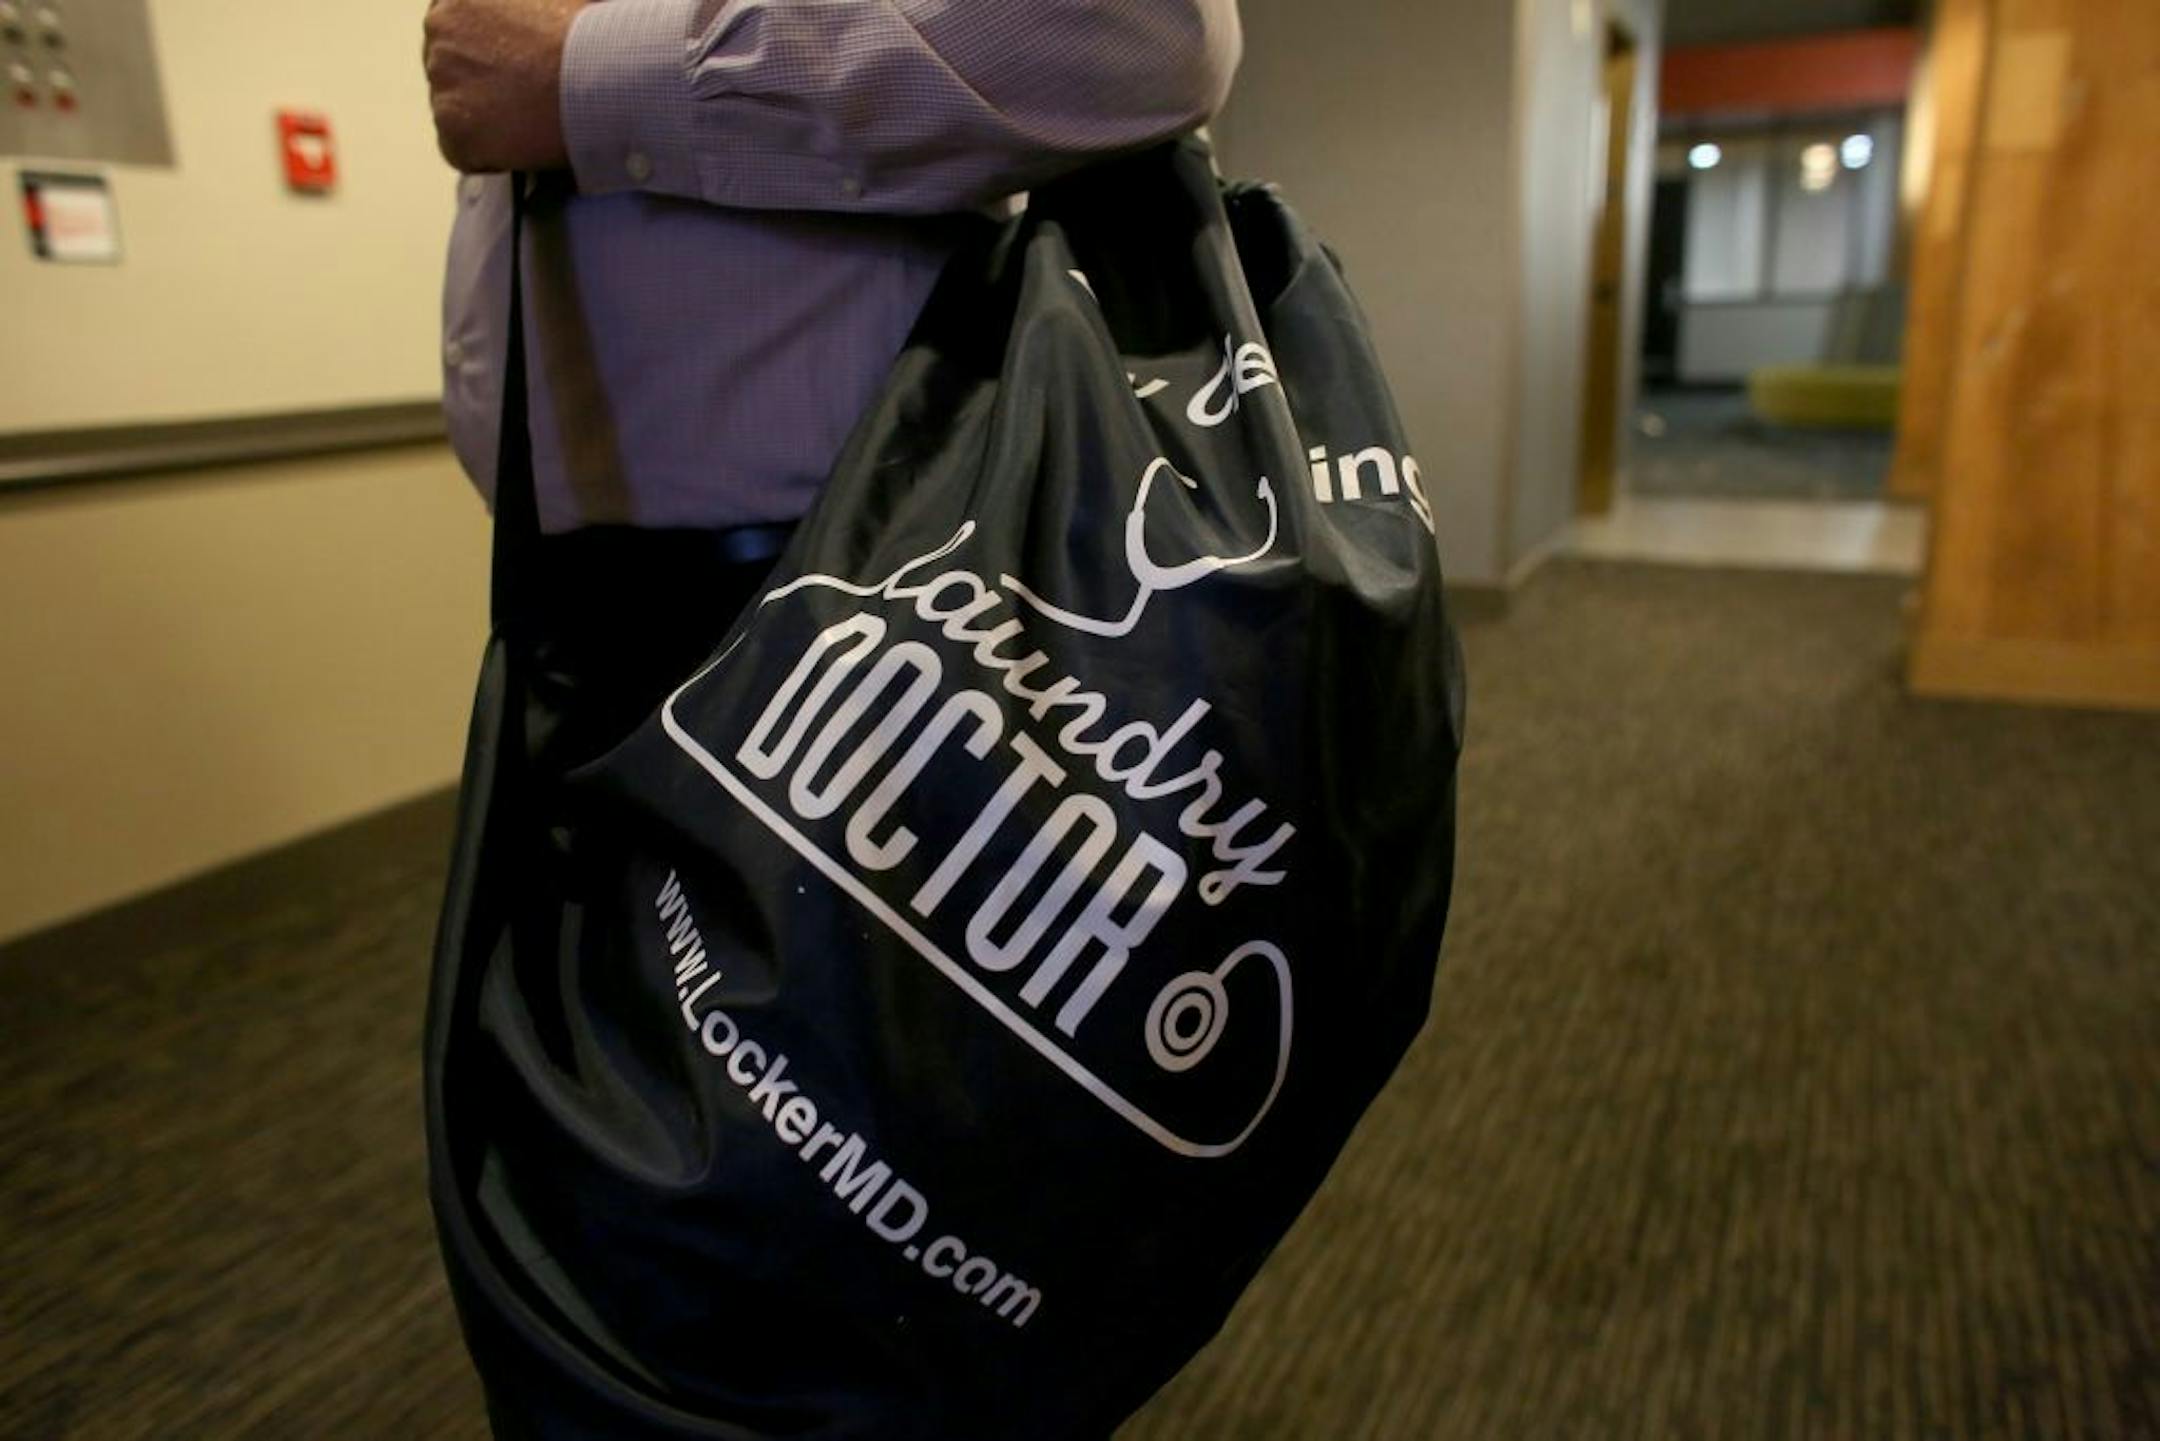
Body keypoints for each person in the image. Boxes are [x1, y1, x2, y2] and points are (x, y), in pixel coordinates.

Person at [419, 4, 1242, 1433]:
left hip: (844, 650)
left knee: (851, 1259)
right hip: (606, 626)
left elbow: (1141, 31)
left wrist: (592, 79)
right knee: (625, 1235)